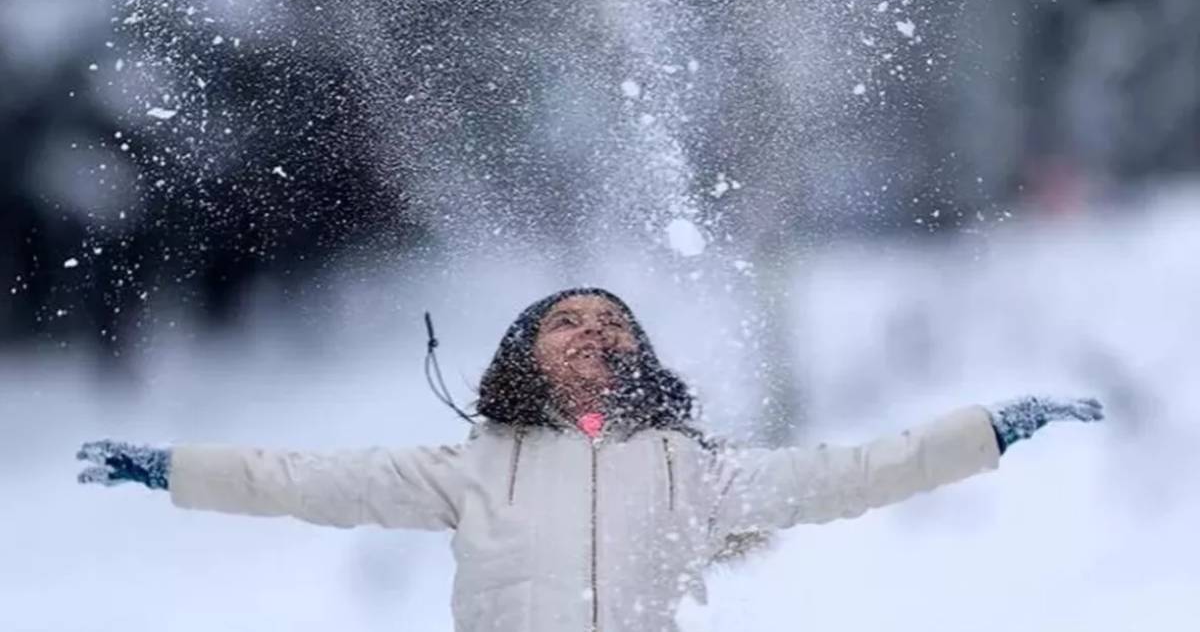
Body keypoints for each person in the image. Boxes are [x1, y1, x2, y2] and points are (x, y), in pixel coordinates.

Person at [77, 287, 1103, 632]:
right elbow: (301, 480)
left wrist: (990, 429)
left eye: (613, 322)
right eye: (565, 320)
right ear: (522, 354)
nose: (593, 331)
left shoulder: (694, 470)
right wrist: (170, 468)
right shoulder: (470, 467)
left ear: (639, 354)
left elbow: (857, 472)